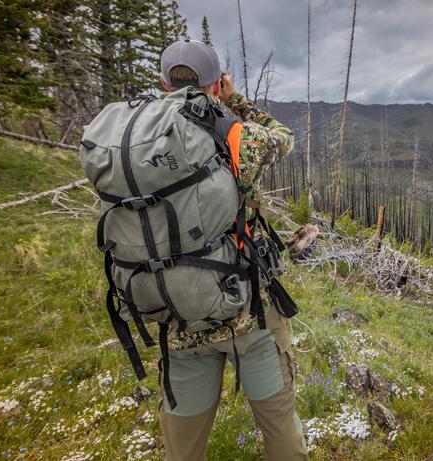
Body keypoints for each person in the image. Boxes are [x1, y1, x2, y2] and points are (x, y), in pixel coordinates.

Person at [156, 39, 308, 461]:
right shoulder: (236, 136)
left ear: (163, 83)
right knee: (280, 432)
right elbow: (284, 137)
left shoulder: (136, 146)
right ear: (215, 85)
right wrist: (236, 101)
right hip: (248, 315)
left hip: (178, 317)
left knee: (182, 450)